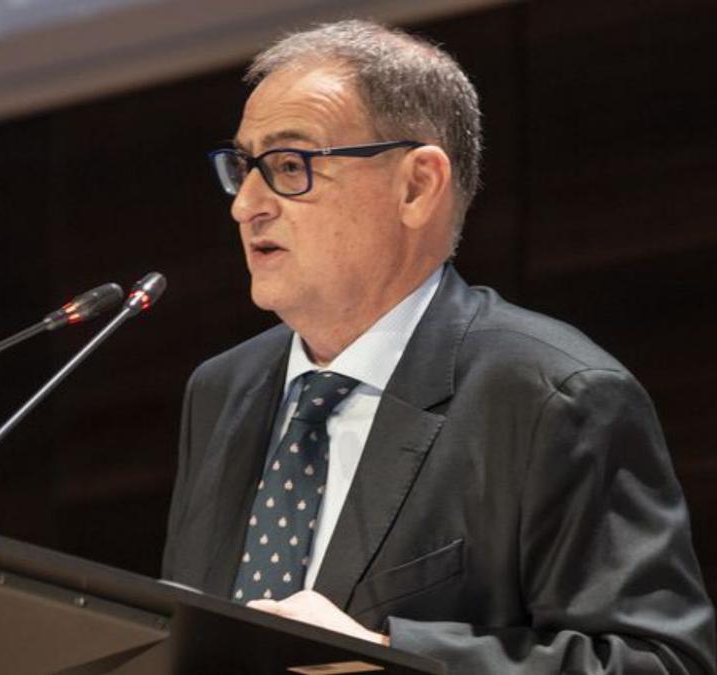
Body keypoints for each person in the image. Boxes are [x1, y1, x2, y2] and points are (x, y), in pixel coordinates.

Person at [161, 19, 716, 673]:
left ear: (417, 186)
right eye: (242, 167)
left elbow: (660, 662)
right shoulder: (222, 388)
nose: (246, 204)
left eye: (288, 165)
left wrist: (392, 658)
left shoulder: (552, 394)